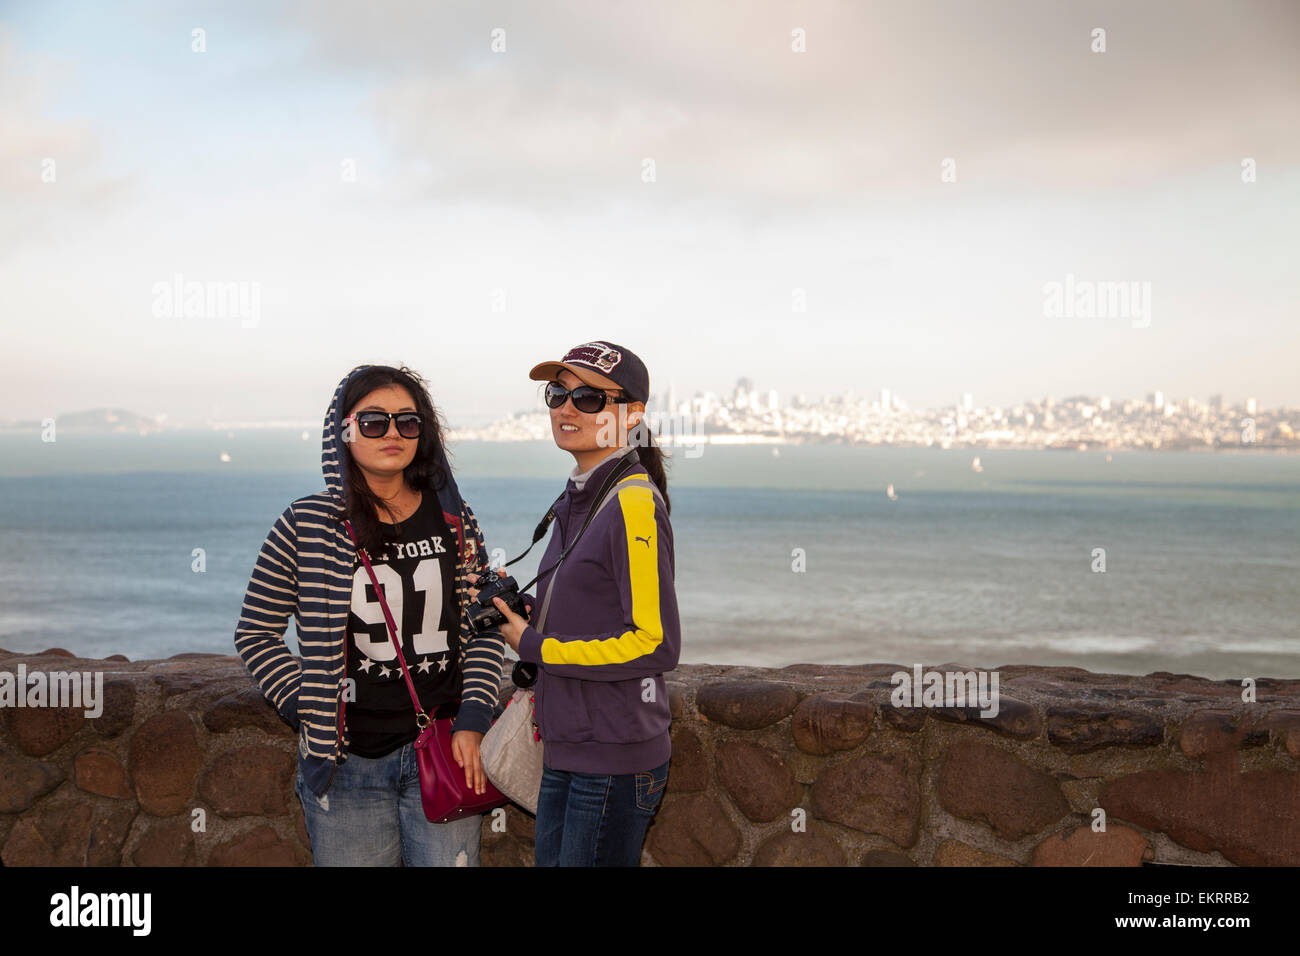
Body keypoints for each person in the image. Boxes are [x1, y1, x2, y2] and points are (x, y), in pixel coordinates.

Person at [234, 364, 506, 866]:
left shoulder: (454, 519)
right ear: (342, 430)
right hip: (346, 765)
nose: (393, 433)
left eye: (408, 421)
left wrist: (474, 716)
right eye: (374, 421)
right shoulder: (307, 525)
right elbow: (256, 632)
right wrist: (307, 705)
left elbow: (486, 625)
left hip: (445, 748)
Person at [480, 341, 680, 866]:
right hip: (572, 747)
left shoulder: (631, 502)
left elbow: (654, 644)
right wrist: (525, 616)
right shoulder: (582, 493)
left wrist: (534, 645)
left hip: (611, 758)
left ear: (631, 415)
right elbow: (593, 610)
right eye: (558, 393)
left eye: (590, 398)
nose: (567, 408)